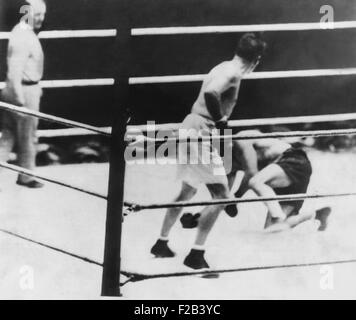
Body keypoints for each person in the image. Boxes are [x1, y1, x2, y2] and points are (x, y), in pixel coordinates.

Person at [150, 33, 267, 269]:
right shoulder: (233, 73)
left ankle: (161, 243)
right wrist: (222, 120)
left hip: (192, 126)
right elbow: (211, 93)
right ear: (256, 60)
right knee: (222, 196)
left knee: (187, 191)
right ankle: (196, 254)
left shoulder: (223, 66)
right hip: (202, 130)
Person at [0, 0, 46, 188]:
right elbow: (14, 71)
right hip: (23, 92)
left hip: (23, 89)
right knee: (28, 136)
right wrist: (19, 100)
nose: (41, 19)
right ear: (27, 13)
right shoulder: (23, 36)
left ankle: (24, 175)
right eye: (37, 14)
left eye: (43, 14)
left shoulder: (23, 32)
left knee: (8, 136)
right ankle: (26, 176)